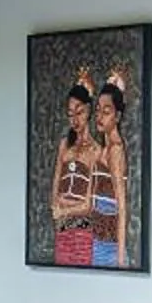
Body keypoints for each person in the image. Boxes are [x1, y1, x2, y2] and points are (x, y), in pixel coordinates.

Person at [48, 81, 98, 265]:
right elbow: (56, 184)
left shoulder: (95, 151)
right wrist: (56, 207)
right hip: (62, 230)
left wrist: (64, 210)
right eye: (70, 115)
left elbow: (89, 203)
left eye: (79, 113)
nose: (75, 120)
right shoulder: (64, 145)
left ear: (89, 111)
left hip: (82, 233)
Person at [90, 74, 133, 268]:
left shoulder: (115, 149)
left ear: (117, 116)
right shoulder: (103, 149)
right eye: (98, 110)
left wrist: (120, 258)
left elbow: (122, 206)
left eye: (106, 111)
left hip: (109, 247)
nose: (99, 116)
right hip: (97, 241)